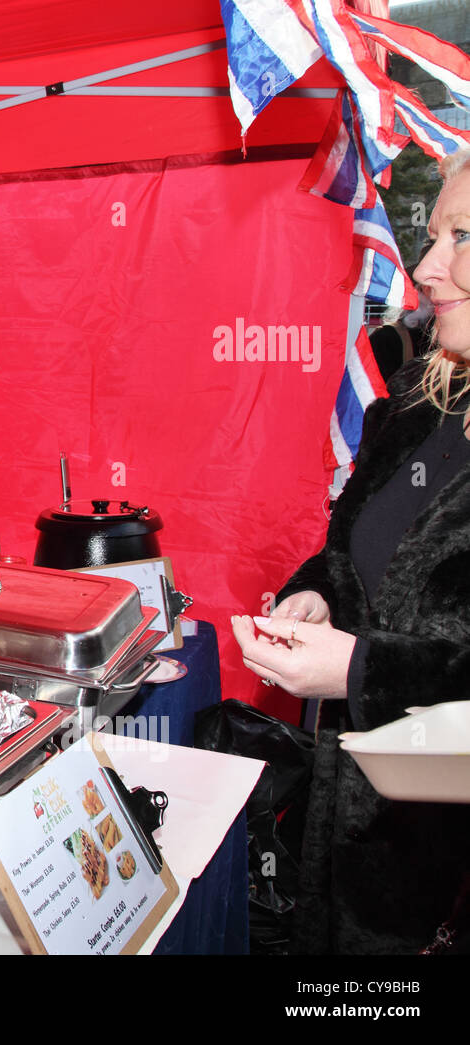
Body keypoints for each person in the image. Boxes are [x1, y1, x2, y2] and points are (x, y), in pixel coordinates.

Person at [232, 149, 470, 954]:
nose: (428, 266)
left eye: (462, 236)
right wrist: (317, 594)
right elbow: (349, 555)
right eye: (434, 236)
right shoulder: (412, 404)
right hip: (351, 835)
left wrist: (357, 671)